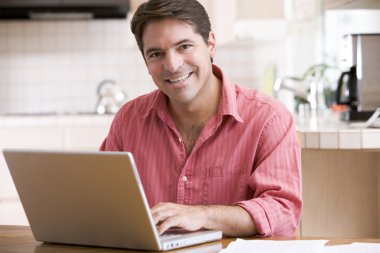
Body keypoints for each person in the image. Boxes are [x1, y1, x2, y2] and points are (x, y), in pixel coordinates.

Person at [100, 0, 302, 237]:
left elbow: (283, 211)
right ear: (146, 62)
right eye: (156, 53)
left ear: (211, 44)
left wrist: (202, 215)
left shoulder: (268, 119)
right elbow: (101, 198)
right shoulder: (129, 120)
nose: (172, 65)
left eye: (184, 46)